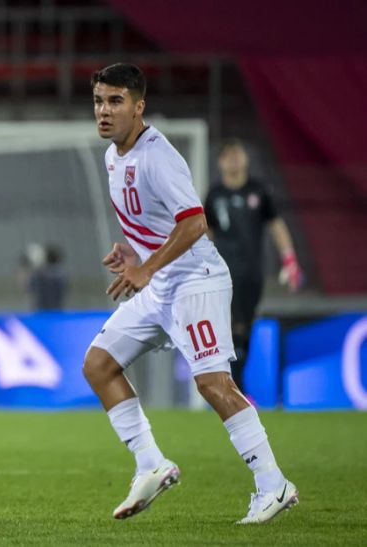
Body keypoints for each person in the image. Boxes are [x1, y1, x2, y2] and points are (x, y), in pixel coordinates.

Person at [82, 63, 298, 524]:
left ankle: (273, 484)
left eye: (115, 101)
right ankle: (150, 463)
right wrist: (133, 250)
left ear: (139, 107)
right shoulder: (113, 156)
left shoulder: (158, 155)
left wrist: (147, 267)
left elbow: (194, 222)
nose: (104, 110)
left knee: (212, 383)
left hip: (195, 279)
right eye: (99, 100)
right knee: (98, 364)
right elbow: (155, 222)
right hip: (159, 282)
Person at [204, 139, 303, 393]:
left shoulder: (258, 192)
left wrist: (289, 258)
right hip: (223, 273)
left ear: (245, 159)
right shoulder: (214, 195)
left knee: (244, 325)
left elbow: (276, 225)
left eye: (237, 154)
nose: (233, 160)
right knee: (231, 324)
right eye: (228, 155)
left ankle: (235, 384)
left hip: (252, 272)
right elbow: (207, 232)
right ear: (220, 162)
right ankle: (235, 388)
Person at [20, 242, 68, 310]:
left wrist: (26, 270)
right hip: (56, 310)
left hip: (42, 311)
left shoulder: (39, 275)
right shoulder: (61, 274)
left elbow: (26, 287)